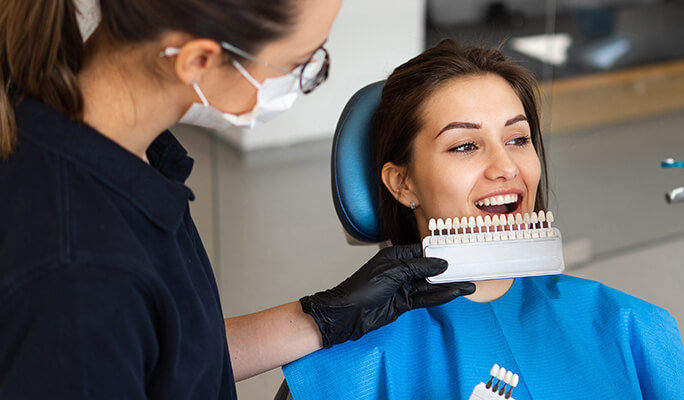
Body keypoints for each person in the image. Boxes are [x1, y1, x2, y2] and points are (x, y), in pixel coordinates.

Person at [282, 39, 684, 400]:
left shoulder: (630, 326)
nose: (506, 167)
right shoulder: (349, 367)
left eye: (519, 139)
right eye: (465, 145)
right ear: (402, 183)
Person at [0, 1, 475, 398]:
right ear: (198, 61)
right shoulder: (77, 272)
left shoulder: (122, 148)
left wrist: (325, 317)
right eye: (300, 65)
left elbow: (165, 359)